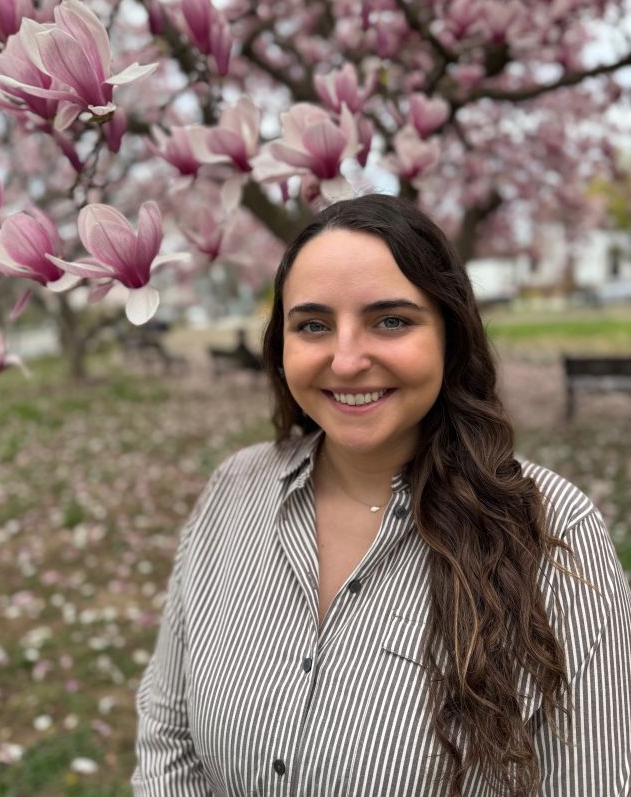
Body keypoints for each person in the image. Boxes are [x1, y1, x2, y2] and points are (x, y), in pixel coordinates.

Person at [132, 194, 631, 797]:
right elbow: (167, 729)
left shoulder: (553, 530)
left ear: (450, 334)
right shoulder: (233, 491)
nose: (346, 360)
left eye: (391, 320)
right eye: (313, 325)